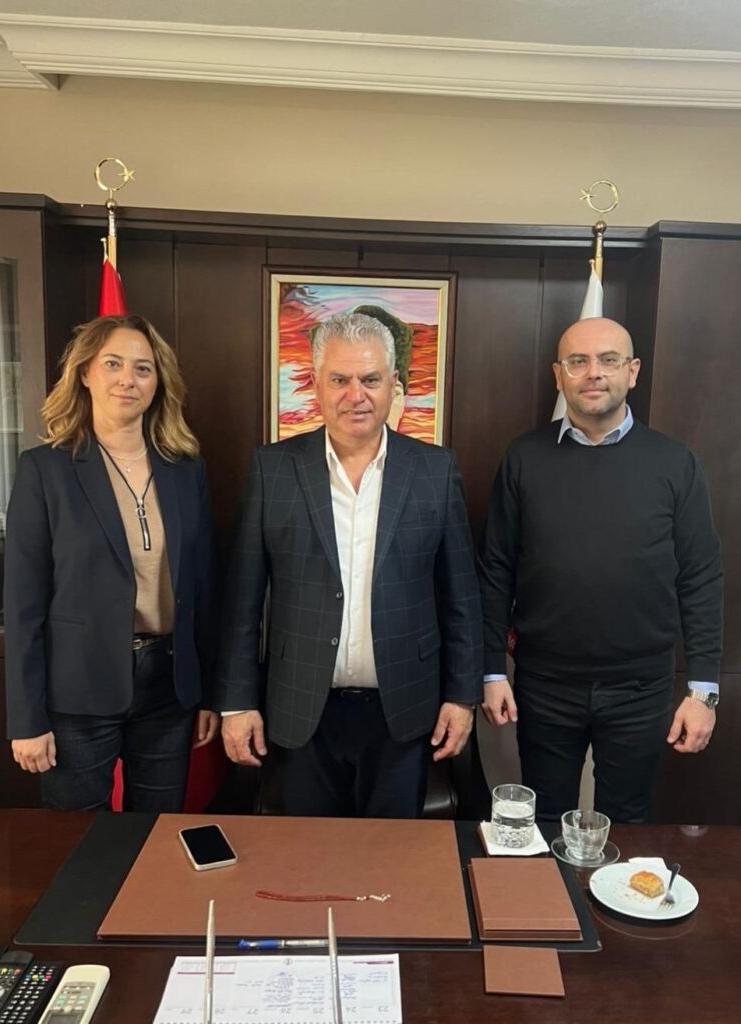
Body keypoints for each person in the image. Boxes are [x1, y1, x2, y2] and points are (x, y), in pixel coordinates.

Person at [218, 311, 484, 818]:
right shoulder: (272, 470)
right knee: (309, 854)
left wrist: (462, 696)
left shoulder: (435, 470)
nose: (355, 395)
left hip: (404, 711)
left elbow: (461, 598)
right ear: (317, 384)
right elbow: (242, 601)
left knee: (391, 857)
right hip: (300, 708)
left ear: (393, 385)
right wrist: (237, 702)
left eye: (370, 379)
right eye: (340, 380)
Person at [479, 316, 723, 823]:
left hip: (641, 688)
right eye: (578, 361)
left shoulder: (675, 464)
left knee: (627, 825)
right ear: (559, 375)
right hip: (544, 685)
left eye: (608, 360)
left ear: (632, 372)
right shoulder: (524, 457)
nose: (593, 372)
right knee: (544, 823)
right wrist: (490, 669)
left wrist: (703, 690)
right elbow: (496, 569)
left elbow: (701, 577)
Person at [4, 313, 220, 811]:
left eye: (143, 368)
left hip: (169, 688)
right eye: (113, 364)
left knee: (154, 836)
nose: (128, 379)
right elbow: (22, 607)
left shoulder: (186, 469)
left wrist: (210, 692)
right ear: (85, 373)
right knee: (78, 842)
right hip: (77, 690)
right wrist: (27, 720)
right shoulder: (46, 469)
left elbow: (207, 590)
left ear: (158, 382)